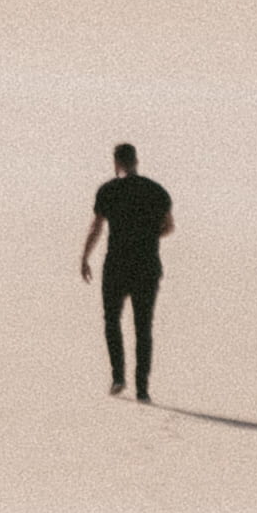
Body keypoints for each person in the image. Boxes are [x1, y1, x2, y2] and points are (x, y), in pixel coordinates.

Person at [80, 143, 175, 399]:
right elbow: (169, 227)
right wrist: (148, 236)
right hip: (147, 265)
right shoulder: (156, 191)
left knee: (112, 320)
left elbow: (96, 227)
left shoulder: (108, 191)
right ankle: (142, 389)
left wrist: (85, 257)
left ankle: (118, 377)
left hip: (117, 265)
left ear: (116, 163)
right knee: (143, 326)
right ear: (136, 161)